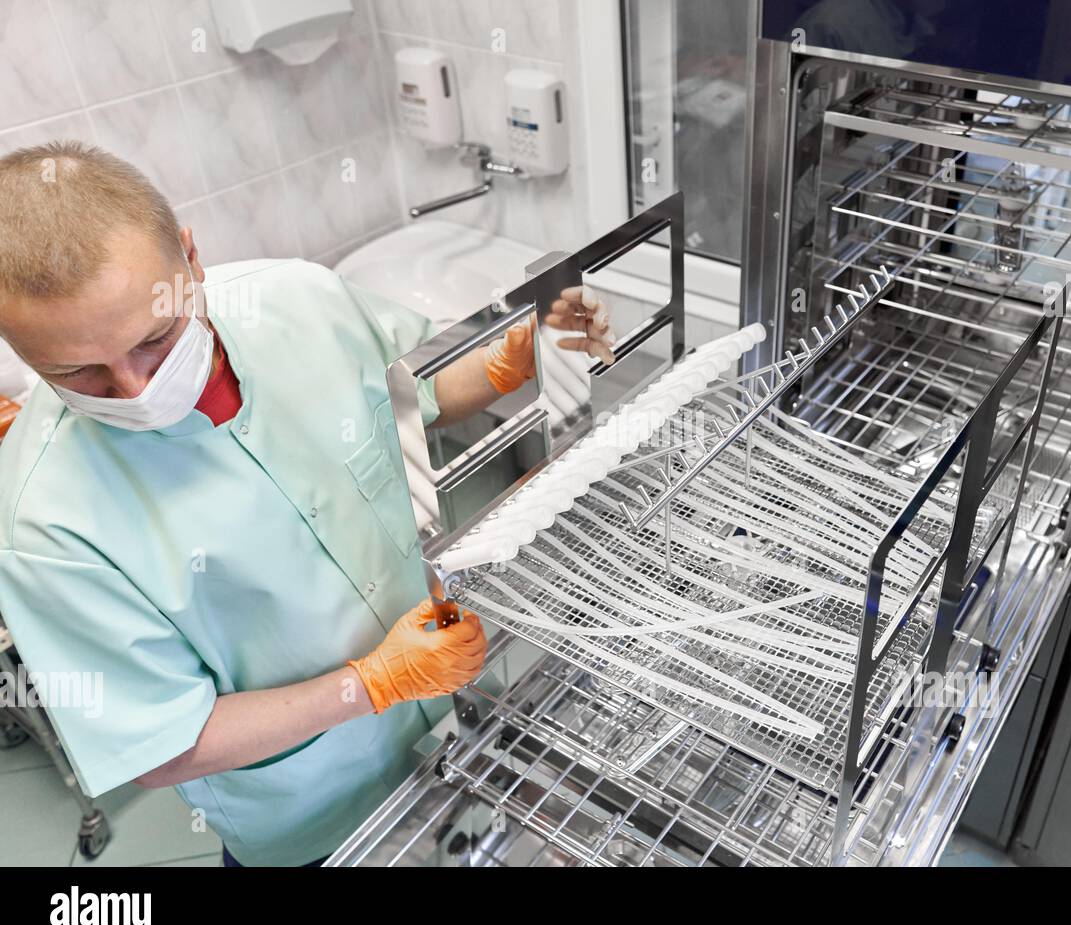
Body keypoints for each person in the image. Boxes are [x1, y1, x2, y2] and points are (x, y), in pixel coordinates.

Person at [0, 142, 616, 866]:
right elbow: (160, 747)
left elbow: (410, 399)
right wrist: (372, 684)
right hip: (315, 816)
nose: (137, 391)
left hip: (455, 716)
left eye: (157, 339)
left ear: (190, 261)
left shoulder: (300, 300)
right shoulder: (43, 524)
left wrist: (505, 363)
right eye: (80, 374)